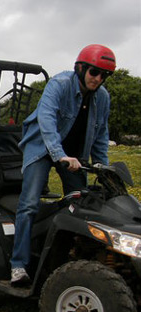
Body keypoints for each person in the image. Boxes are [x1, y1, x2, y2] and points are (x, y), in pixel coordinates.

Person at [10, 44, 116, 285]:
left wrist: (104, 168)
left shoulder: (103, 97)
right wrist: (59, 155)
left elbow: (101, 134)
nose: (98, 79)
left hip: (74, 155)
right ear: (80, 68)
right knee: (29, 204)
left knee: (82, 203)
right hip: (42, 148)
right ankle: (18, 265)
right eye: (94, 72)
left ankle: (69, 260)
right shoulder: (59, 85)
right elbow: (46, 121)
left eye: (104, 75)